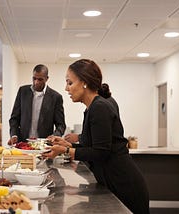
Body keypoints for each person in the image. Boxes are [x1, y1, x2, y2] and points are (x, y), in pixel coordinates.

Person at [43, 59, 150, 214]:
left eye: (70, 83)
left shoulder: (100, 107)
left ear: (84, 83)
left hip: (123, 184)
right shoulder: (91, 108)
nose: (66, 88)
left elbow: (101, 152)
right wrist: (68, 146)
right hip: (112, 180)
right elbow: (91, 147)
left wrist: (66, 151)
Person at [8, 64, 66, 145]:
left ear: (46, 78)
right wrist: (14, 135)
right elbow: (14, 118)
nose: (36, 82)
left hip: (44, 146)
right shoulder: (23, 91)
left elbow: (61, 125)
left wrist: (54, 136)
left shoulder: (56, 97)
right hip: (23, 144)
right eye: (34, 78)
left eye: (40, 79)